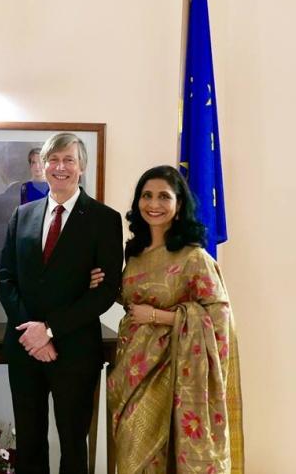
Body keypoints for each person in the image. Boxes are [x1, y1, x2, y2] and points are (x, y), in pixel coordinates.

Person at [91, 165, 243, 472]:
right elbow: (137, 297)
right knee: (132, 454)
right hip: (132, 368)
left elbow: (218, 317)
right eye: (146, 196)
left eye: (163, 196)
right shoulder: (134, 253)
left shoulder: (194, 258)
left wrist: (159, 317)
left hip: (175, 373)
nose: (153, 204)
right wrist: (105, 283)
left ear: (179, 204)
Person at [0, 132, 124, 473]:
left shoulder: (104, 219)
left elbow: (106, 289)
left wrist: (51, 330)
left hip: (75, 349)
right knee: (29, 441)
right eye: (53, 160)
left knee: (72, 444)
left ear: (81, 167)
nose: (60, 167)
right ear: (42, 165)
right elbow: (6, 278)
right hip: (25, 349)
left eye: (68, 160)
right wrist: (33, 333)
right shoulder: (22, 215)